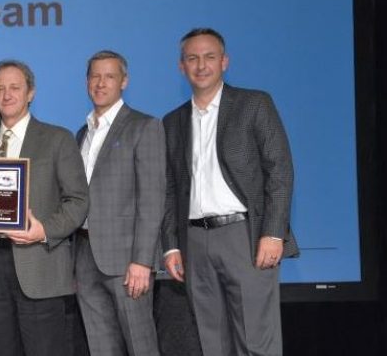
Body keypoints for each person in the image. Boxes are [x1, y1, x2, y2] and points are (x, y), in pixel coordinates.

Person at [160, 28, 297, 356]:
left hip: (245, 236)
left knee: (256, 341)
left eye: (209, 57)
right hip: (194, 241)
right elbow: (170, 189)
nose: (201, 65)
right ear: (181, 66)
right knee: (213, 342)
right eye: (192, 58)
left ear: (224, 62)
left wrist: (273, 233)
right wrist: (171, 246)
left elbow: (280, 170)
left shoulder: (254, 104)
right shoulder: (172, 121)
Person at [0, 60, 88, 356]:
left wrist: (44, 231)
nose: (7, 95)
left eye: (15, 87)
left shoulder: (57, 139)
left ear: (30, 93)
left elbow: (79, 201)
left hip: (39, 261)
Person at [73, 51, 165, 355]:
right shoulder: (82, 134)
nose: (101, 83)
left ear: (124, 81)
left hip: (128, 262)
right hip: (85, 256)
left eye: (109, 76)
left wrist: (142, 261)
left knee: (141, 346)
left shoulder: (144, 126)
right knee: (101, 347)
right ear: (87, 82)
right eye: (95, 76)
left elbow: (152, 199)